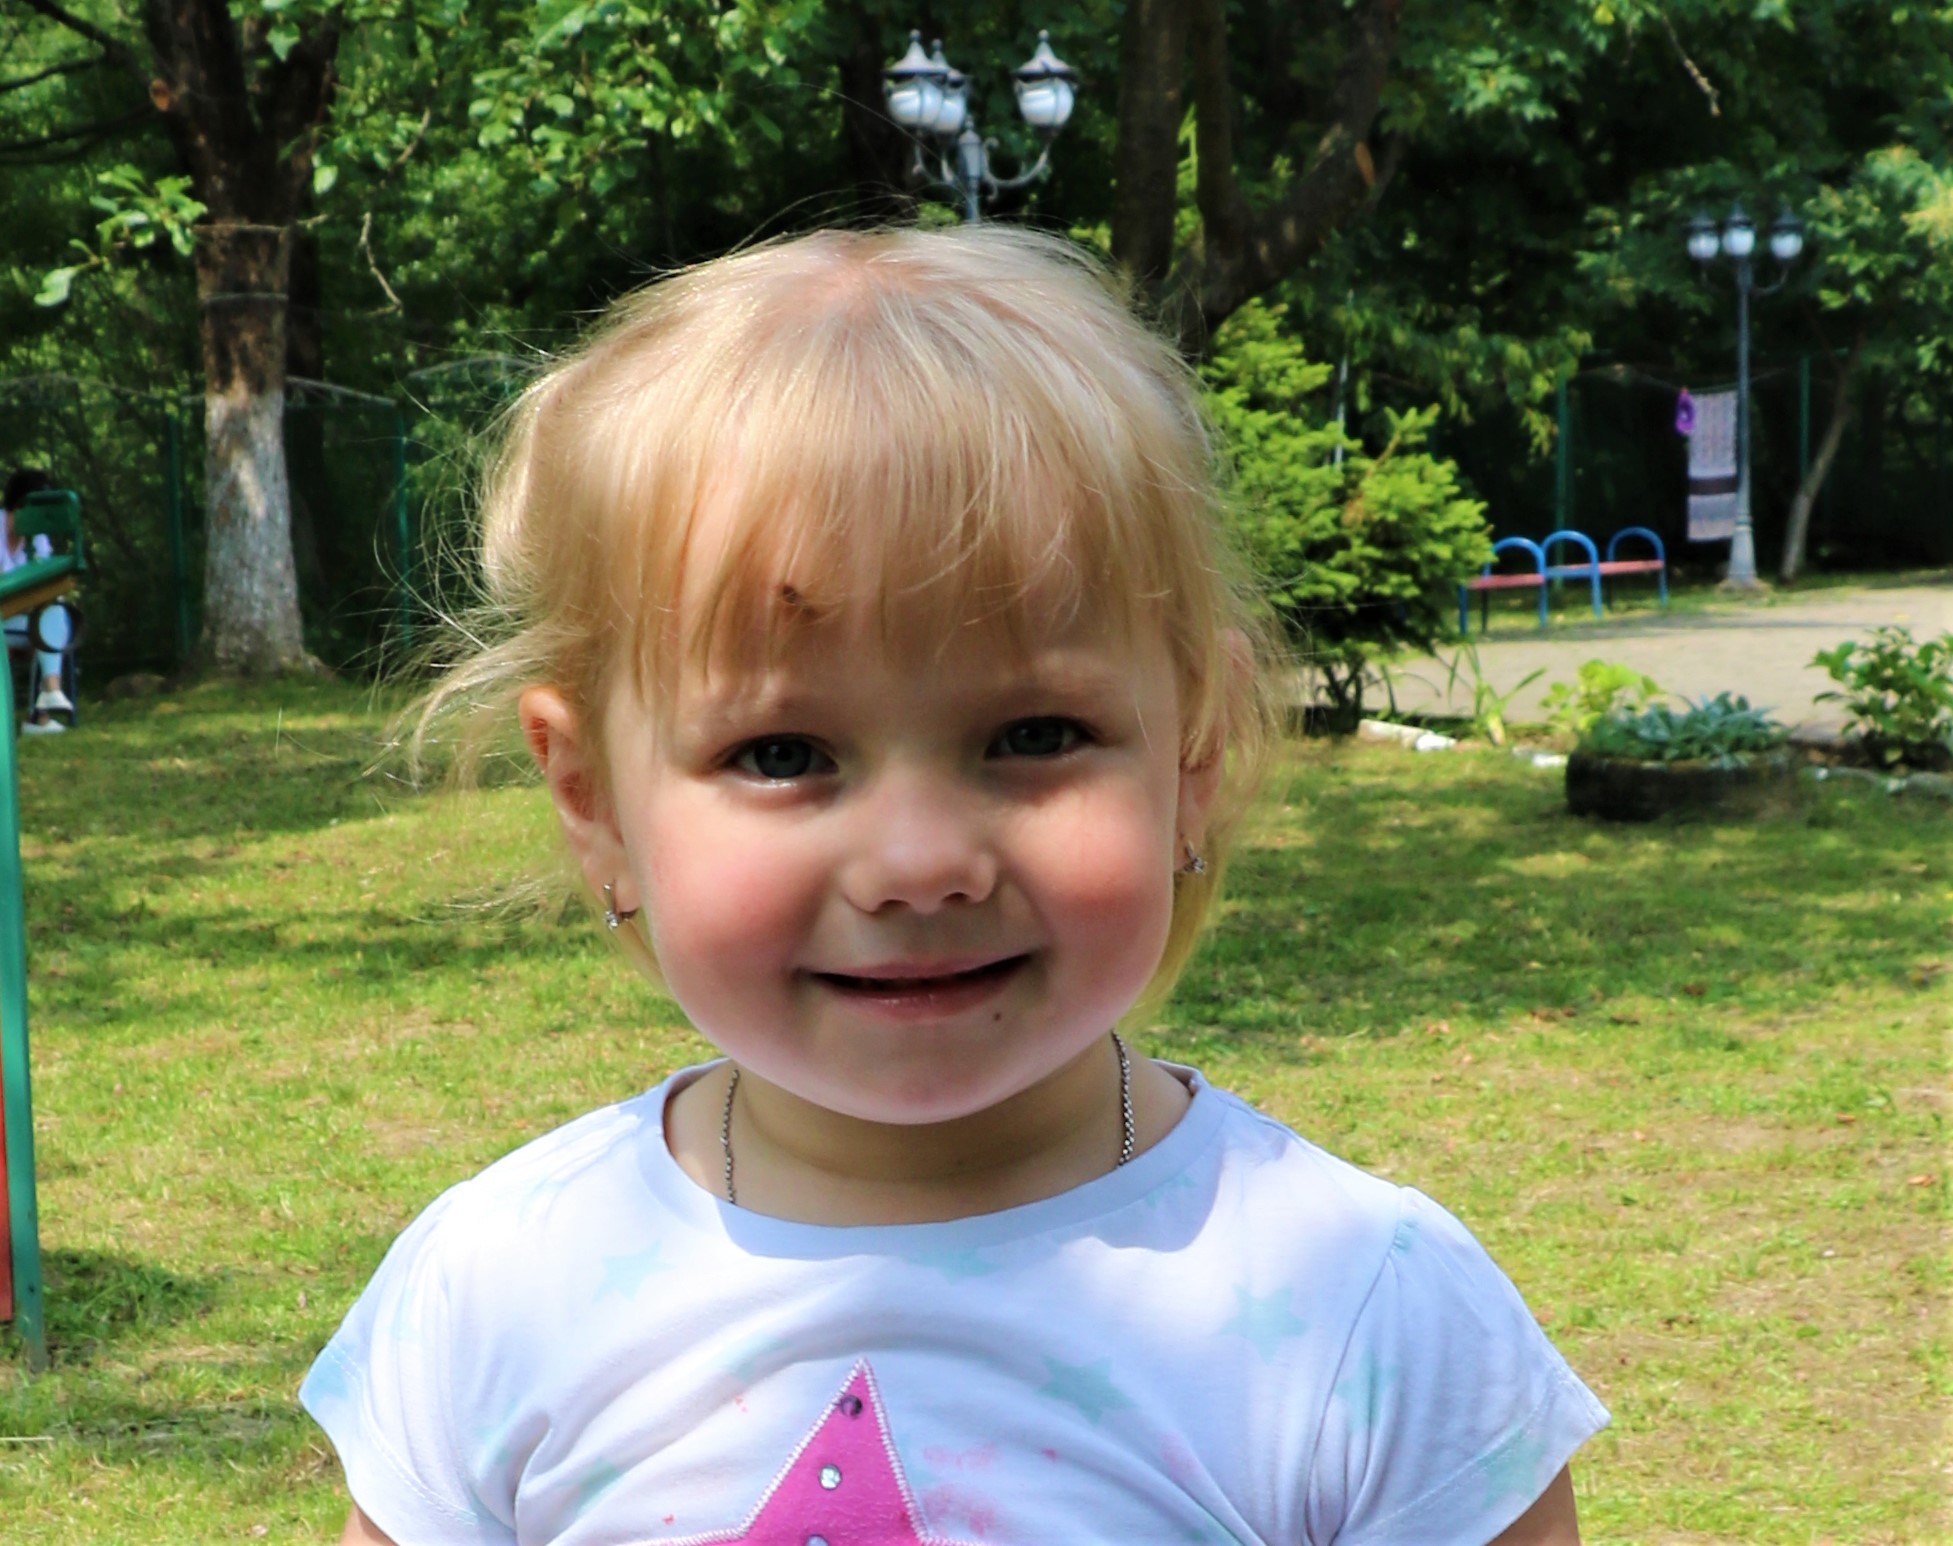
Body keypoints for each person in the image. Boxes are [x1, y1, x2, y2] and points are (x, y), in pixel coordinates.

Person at [303, 228, 1608, 1546]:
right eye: (783, 753)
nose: (920, 864)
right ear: (593, 800)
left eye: (1034, 734)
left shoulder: (1367, 1315)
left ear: (1193, 752)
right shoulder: (497, 1293)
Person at [1, 468, 77, 735]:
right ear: (19, 506)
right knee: (45, 621)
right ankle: (41, 715)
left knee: (54, 615)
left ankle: (49, 696)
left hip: (19, 620)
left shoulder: (38, 538)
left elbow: (45, 587)